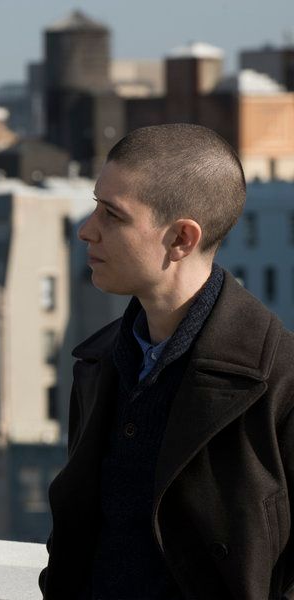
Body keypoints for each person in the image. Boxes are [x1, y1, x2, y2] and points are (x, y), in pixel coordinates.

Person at [39, 123, 294, 599]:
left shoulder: (280, 381)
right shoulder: (98, 362)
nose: (87, 230)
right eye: (95, 205)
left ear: (181, 239)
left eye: (112, 215)